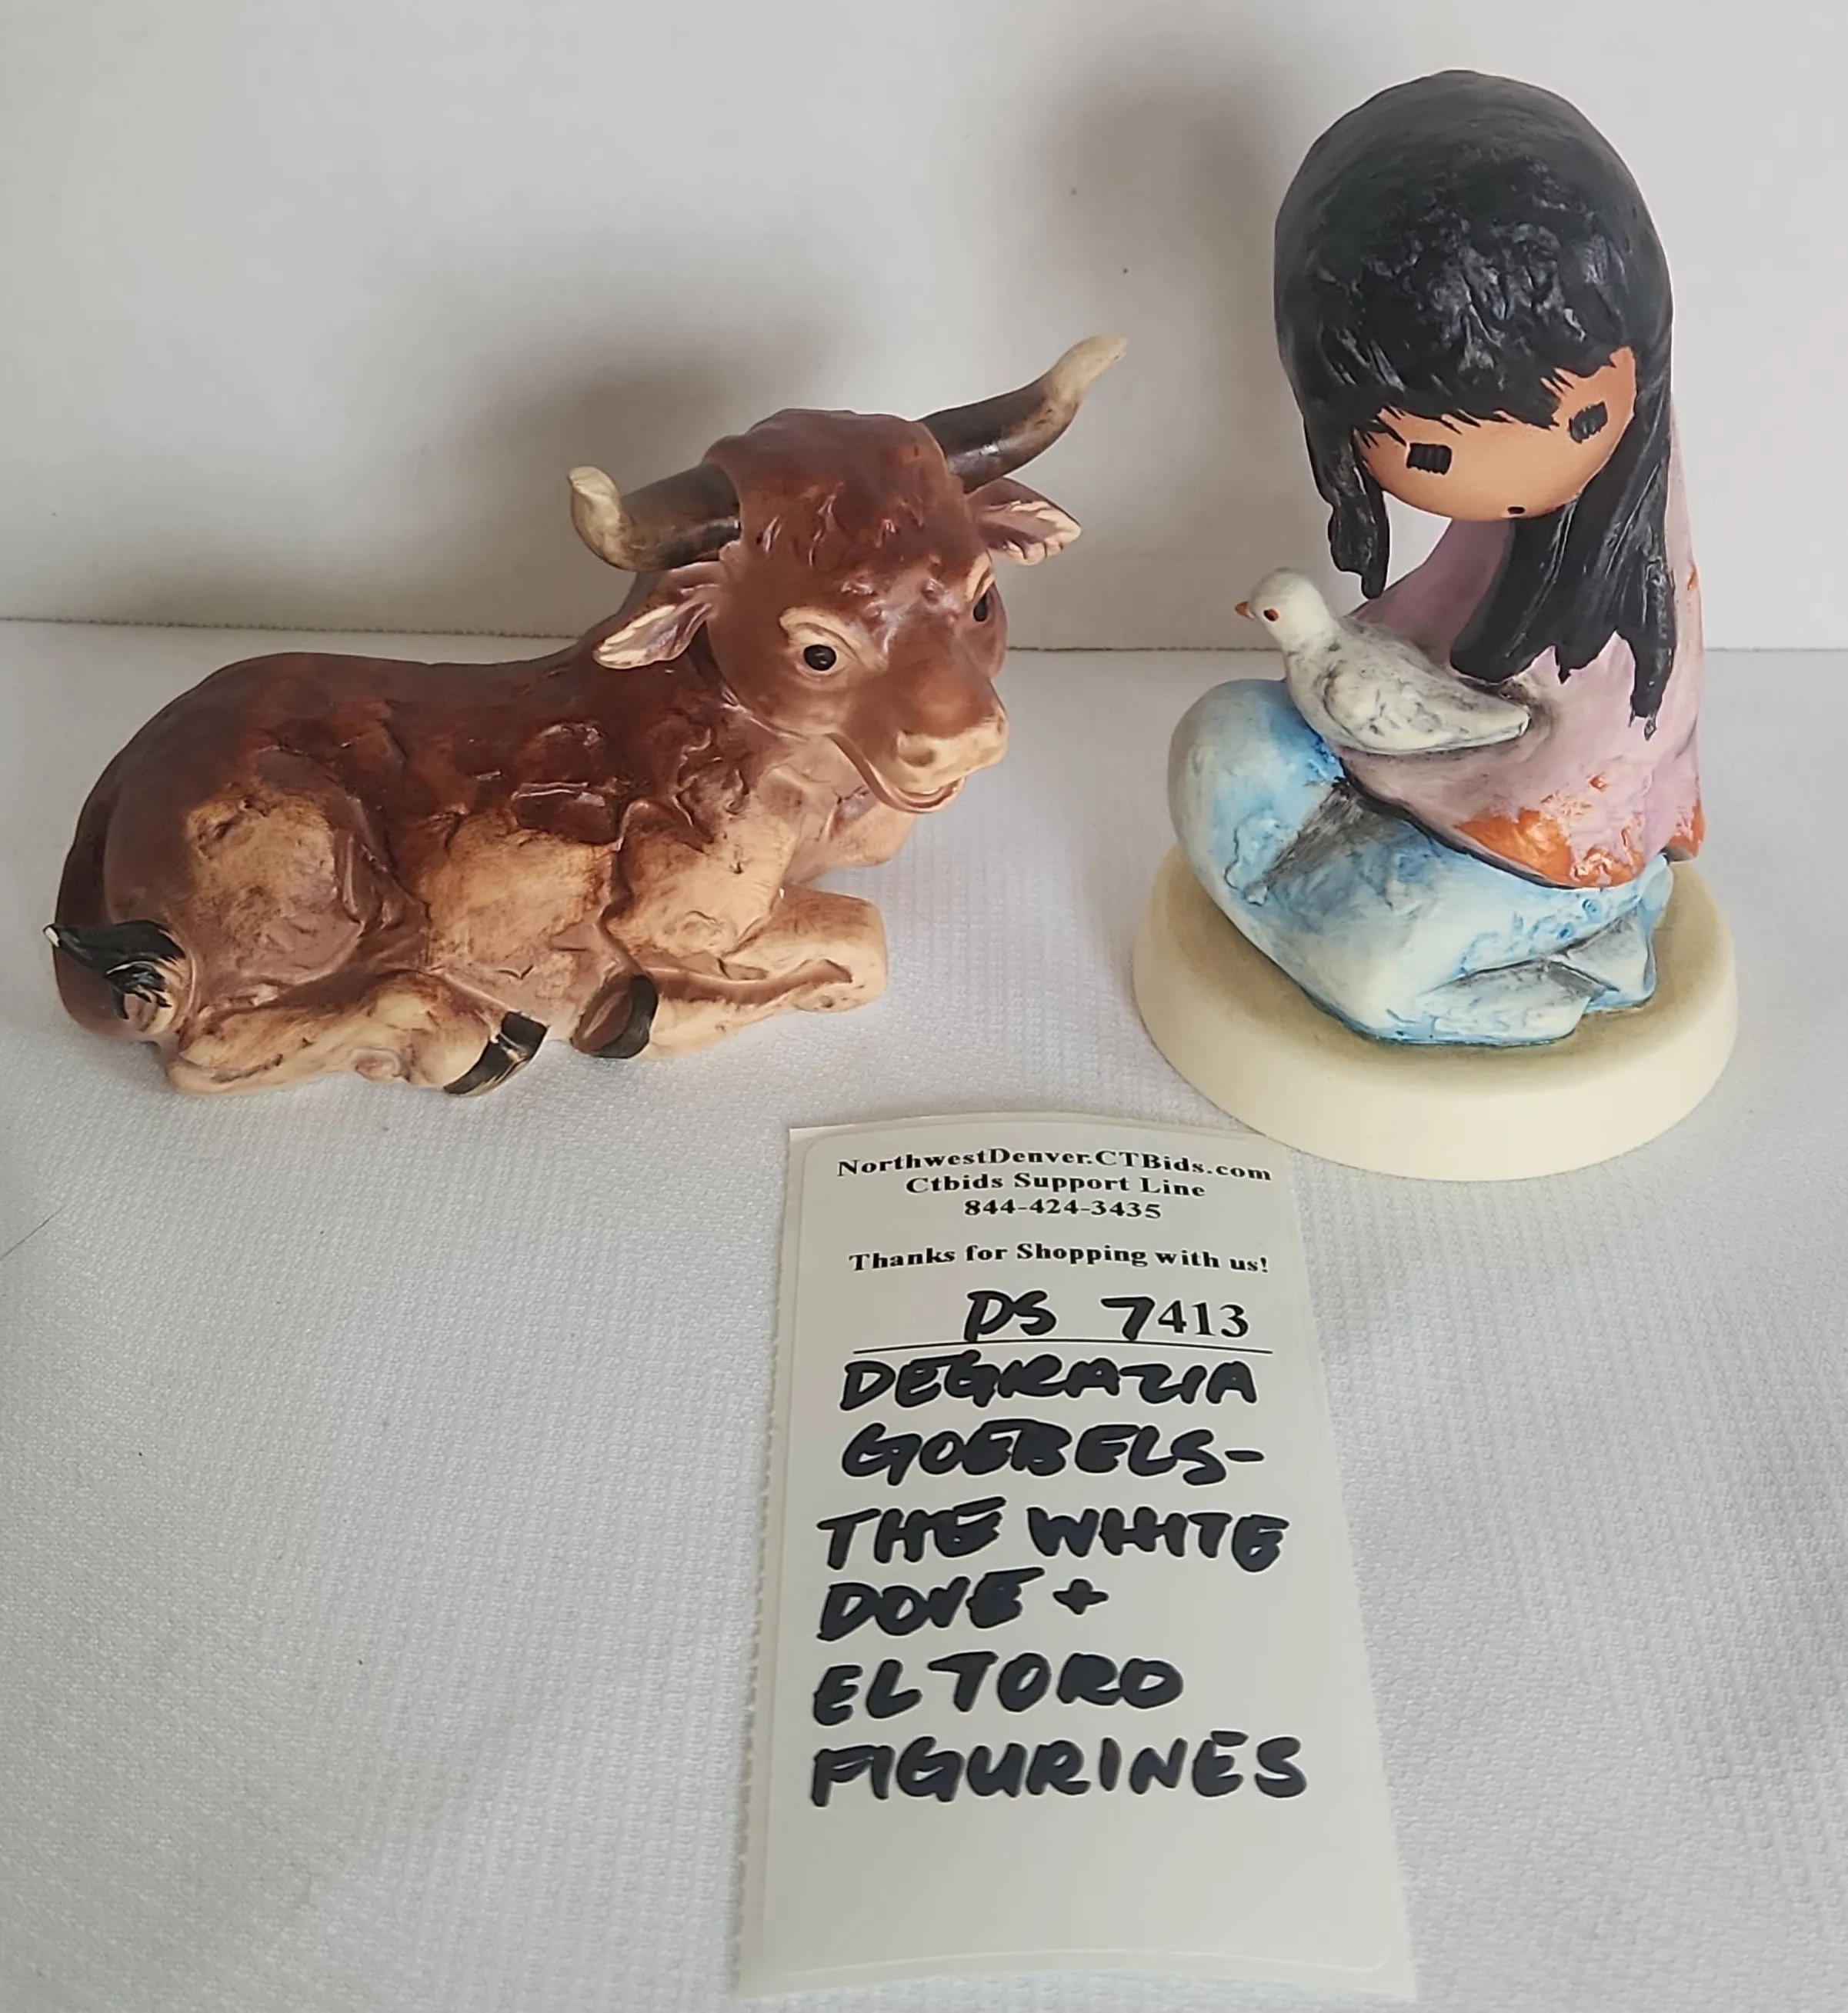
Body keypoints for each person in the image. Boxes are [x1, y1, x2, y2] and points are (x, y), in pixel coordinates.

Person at [1172, 71, 1701, 1045]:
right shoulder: (1504, 531)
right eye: (1430, 455)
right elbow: (1421, 631)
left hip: (1534, 859)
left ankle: (1571, 950)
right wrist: (1369, 704)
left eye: (1580, 420)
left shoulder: (1630, 592)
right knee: (1221, 742)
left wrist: (1413, 750)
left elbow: (1580, 778)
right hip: (1404, 795)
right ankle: (1332, 924)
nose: (1513, 474)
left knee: (1378, 964)